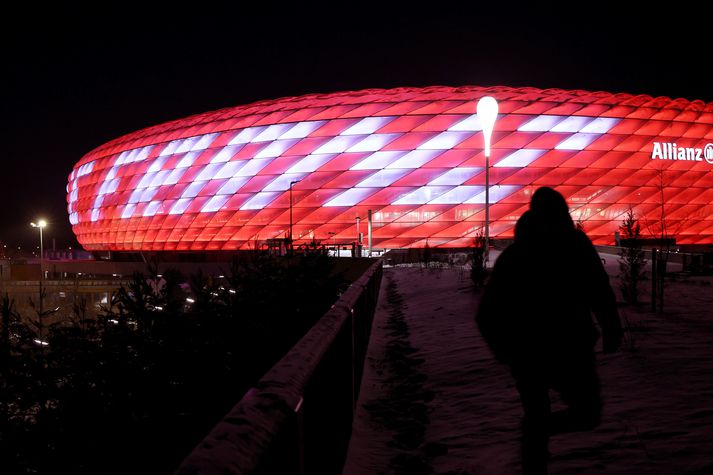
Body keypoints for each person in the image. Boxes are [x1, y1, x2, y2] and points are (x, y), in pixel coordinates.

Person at [475, 186, 623, 475]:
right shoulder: (521, 254)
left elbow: (599, 289)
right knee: (557, 416)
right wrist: (508, 351)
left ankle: (535, 431)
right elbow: (488, 311)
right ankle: (534, 448)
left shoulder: (573, 245)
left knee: (582, 414)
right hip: (539, 351)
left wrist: (611, 326)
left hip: (566, 347)